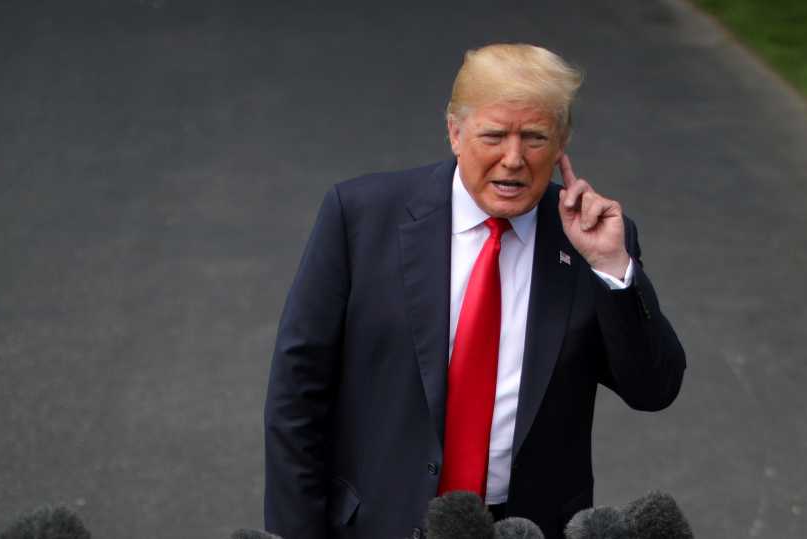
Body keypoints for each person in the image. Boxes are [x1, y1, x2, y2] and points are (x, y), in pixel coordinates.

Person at [264, 43, 686, 539]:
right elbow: (296, 397)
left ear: (561, 143)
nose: (513, 159)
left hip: (527, 526)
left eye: (535, 137)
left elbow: (653, 390)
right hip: (383, 522)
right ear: (455, 132)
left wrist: (611, 267)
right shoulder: (360, 217)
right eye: (494, 135)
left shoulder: (592, 240)